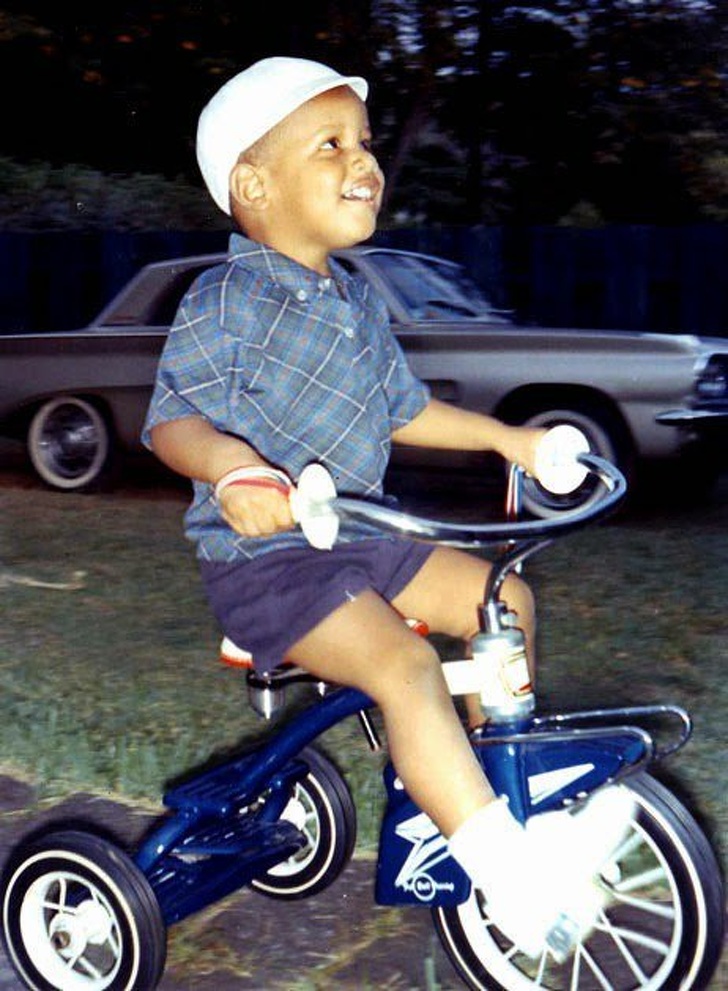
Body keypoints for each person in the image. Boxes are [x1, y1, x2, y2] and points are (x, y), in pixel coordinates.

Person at [143, 56, 633, 959]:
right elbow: (173, 421)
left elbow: (403, 409)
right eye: (330, 145)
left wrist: (510, 441)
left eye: (364, 143)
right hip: (267, 562)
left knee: (503, 601)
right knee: (406, 669)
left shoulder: (355, 300)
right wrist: (236, 471)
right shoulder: (226, 299)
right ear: (254, 186)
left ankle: (502, 797)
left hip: (362, 534)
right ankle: (511, 878)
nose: (363, 160)